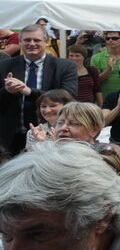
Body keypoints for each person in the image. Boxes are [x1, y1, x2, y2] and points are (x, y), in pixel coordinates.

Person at [0, 24, 77, 155]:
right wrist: (8, 91)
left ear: (47, 42)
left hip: (48, 135)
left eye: (37, 40)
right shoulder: (4, 66)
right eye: (27, 40)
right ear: (19, 42)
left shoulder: (65, 66)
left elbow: (68, 97)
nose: (32, 43)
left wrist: (29, 91)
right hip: (10, 136)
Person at [52, 102, 120, 203]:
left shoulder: (115, 157)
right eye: (60, 123)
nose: (63, 128)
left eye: (74, 123)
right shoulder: (50, 159)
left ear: (94, 130)